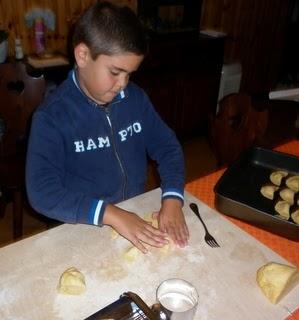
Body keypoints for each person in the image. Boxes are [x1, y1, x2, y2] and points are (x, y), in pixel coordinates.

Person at [26, 2, 189, 253]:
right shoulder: (52, 117)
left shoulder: (136, 99)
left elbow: (167, 147)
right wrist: (109, 213)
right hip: (80, 226)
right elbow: (42, 193)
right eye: (115, 72)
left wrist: (173, 198)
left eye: (130, 74)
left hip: (133, 211)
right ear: (82, 56)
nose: (122, 84)